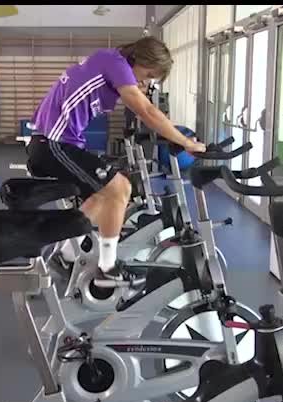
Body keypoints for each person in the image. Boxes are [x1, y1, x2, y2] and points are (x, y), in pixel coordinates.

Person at [26, 36, 206, 289]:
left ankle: (65, 254)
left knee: (102, 195)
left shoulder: (110, 61)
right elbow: (147, 111)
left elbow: (141, 103)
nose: (145, 81)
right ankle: (107, 270)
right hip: (53, 144)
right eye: (147, 74)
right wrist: (187, 142)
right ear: (139, 59)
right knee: (120, 188)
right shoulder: (115, 63)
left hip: (56, 142)